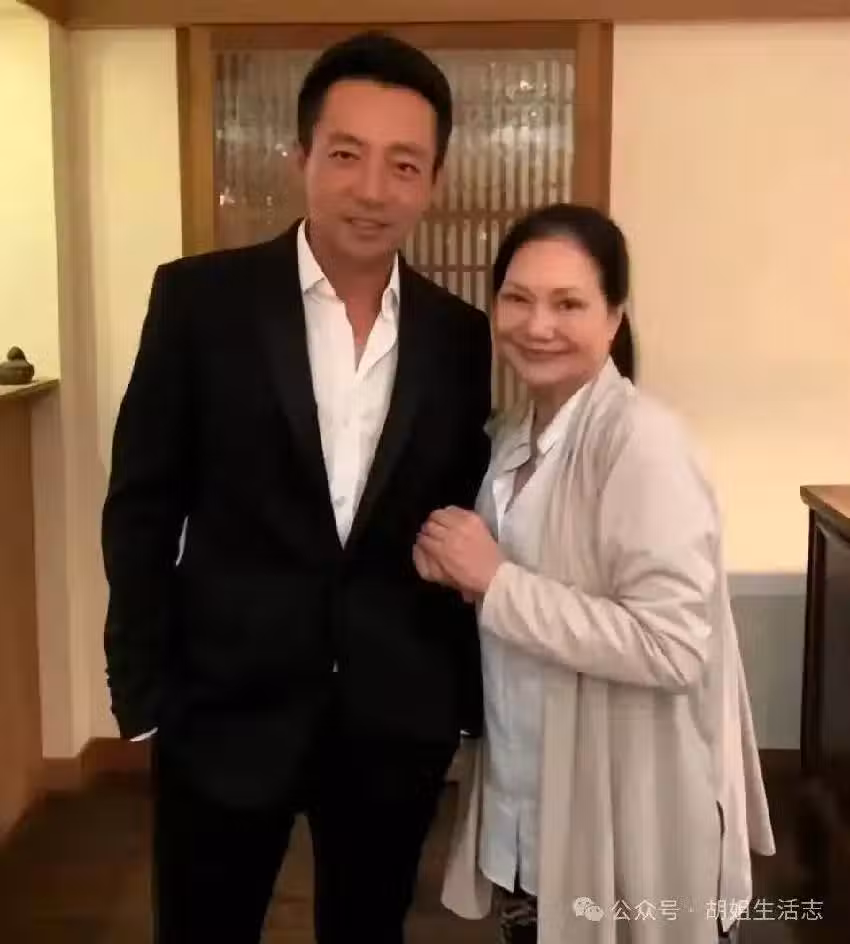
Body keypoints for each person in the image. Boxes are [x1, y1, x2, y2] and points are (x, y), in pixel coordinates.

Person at [101, 31, 492, 944]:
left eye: (404, 164)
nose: (373, 188)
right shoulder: (200, 301)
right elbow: (142, 503)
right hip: (223, 709)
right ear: (301, 156)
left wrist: (461, 701)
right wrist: (142, 688)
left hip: (392, 717)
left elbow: (457, 515)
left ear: (433, 180)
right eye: (346, 154)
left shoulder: (459, 335)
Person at [413, 203, 776, 943]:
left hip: (622, 803)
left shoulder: (643, 443)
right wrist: (457, 569)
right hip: (528, 798)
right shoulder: (511, 436)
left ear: (613, 320)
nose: (537, 324)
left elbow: (673, 646)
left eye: (568, 304)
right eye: (517, 298)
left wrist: (496, 582)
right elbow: (523, 587)